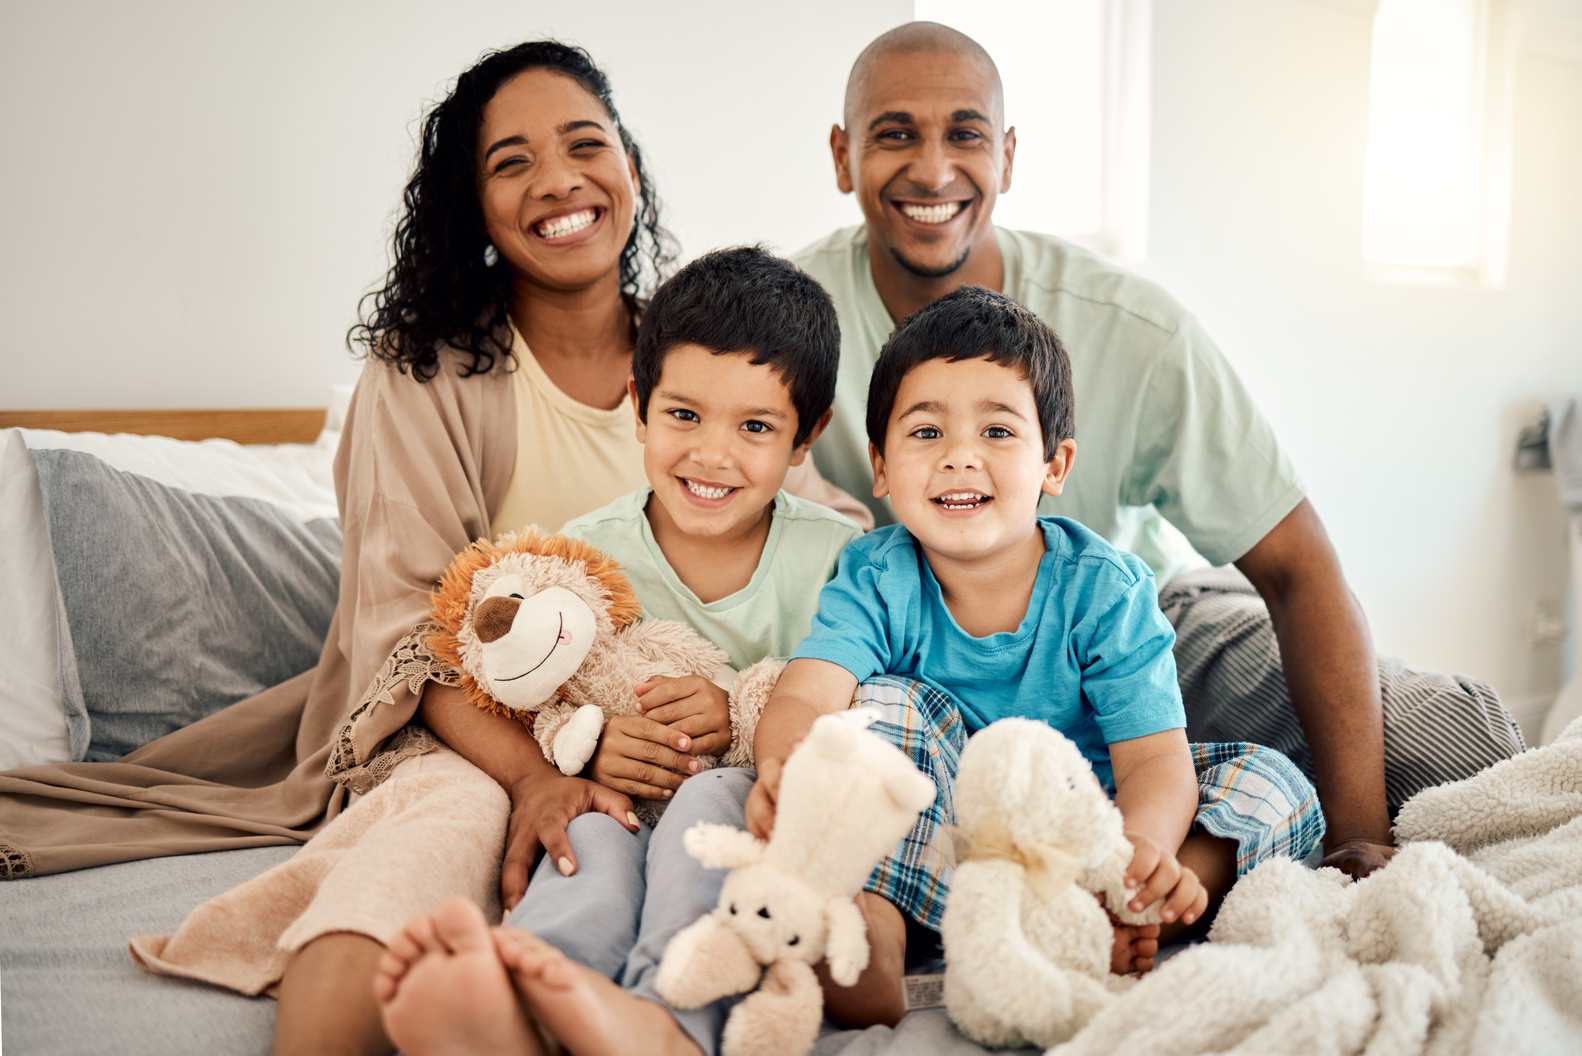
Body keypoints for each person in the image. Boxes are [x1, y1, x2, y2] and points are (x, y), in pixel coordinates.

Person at [1, 41, 863, 1056]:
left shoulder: (699, 353)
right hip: (470, 726)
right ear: (474, 206)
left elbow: (829, 555)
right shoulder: (427, 376)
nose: (557, 179)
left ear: (628, 165)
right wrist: (537, 773)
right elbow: (413, 636)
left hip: (686, 742)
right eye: (510, 163)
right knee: (441, 829)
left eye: (586, 144)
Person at [791, 22, 1524, 882]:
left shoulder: (1131, 328)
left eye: (965, 133)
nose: (932, 168)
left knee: (1455, 736)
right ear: (843, 157)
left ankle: (1154, 874)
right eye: (893, 133)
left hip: (1126, 633)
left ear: (1009, 156)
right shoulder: (794, 330)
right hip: (915, 660)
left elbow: (1296, 565)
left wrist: (1359, 841)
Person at [746, 285, 1325, 1026]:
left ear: (1055, 465)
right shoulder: (877, 574)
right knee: (879, 711)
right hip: (944, 839)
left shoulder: (1105, 590)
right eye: (926, 433)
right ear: (881, 467)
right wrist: (785, 768)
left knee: (1275, 784)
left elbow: (1152, 759)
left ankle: (1140, 910)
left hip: (1086, 833)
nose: (960, 457)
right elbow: (807, 692)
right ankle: (880, 935)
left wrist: (1135, 854)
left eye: (997, 432)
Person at [372, 247, 862, 1056]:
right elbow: (533, 690)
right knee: (588, 836)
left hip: (739, 803)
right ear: (639, 407)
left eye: (755, 427)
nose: (711, 454)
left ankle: (664, 1015)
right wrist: (593, 744)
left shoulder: (843, 559)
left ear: (806, 437)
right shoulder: (579, 559)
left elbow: (854, 701)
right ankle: (532, 992)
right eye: (683, 415)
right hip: (620, 796)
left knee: (708, 826)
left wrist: (737, 709)